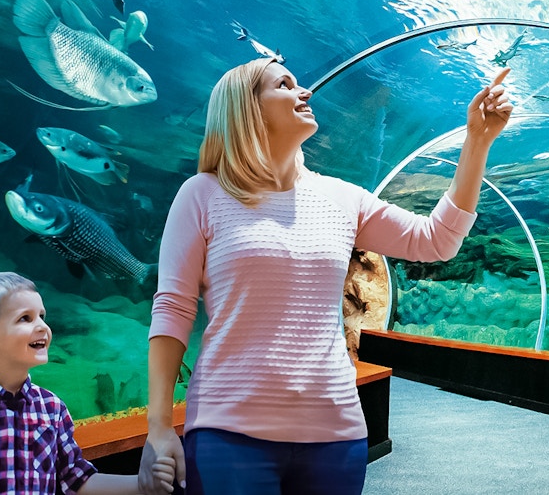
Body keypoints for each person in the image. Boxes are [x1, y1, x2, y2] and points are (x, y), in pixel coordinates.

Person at [137, 58, 513, 495]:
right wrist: (159, 427)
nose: (305, 92)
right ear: (247, 108)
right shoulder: (202, 194)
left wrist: (477, 142)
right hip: (228, 433)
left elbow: (436, 241)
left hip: (336, 434)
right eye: (284, 84)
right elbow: (173, 308)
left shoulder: (343, 198)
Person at [0, 272, 176, 494]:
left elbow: (76, 479)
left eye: (42, 315)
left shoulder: (52, 408)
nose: (42, 326)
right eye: (25, 318)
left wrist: (141, 485)